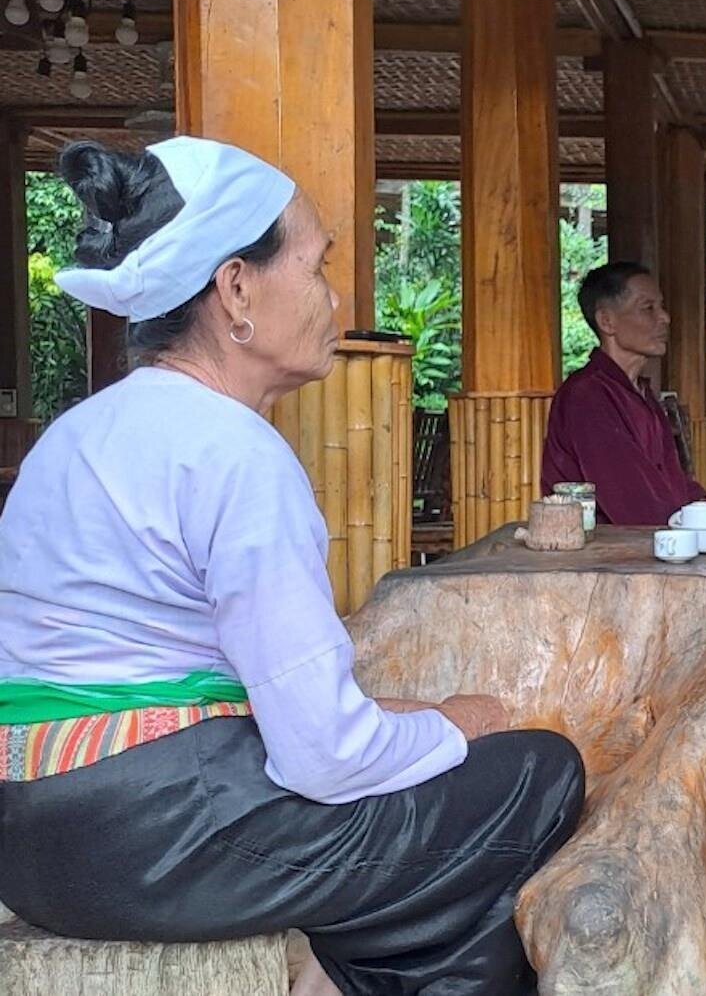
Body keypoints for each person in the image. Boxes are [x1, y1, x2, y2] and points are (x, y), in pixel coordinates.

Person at [0, 138, 584, 996]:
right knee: (537, 771)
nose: (333, 296)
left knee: (425, 793)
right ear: (236, 287)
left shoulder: (76, 434)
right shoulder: (234, 450)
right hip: (152, 837)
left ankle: (356, 974)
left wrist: (408, 723)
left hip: (28, 838)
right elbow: (324, 758)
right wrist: (461, 720)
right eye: (315, 267)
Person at [541, 261, 706, 525]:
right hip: (602, 554)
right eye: (648, 308)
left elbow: (673, 480)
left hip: (651, 540)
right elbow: (633, 502)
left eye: (661, 306)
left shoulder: (640, 392)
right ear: (607, 321)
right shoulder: (586, 396)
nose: (664, 317)